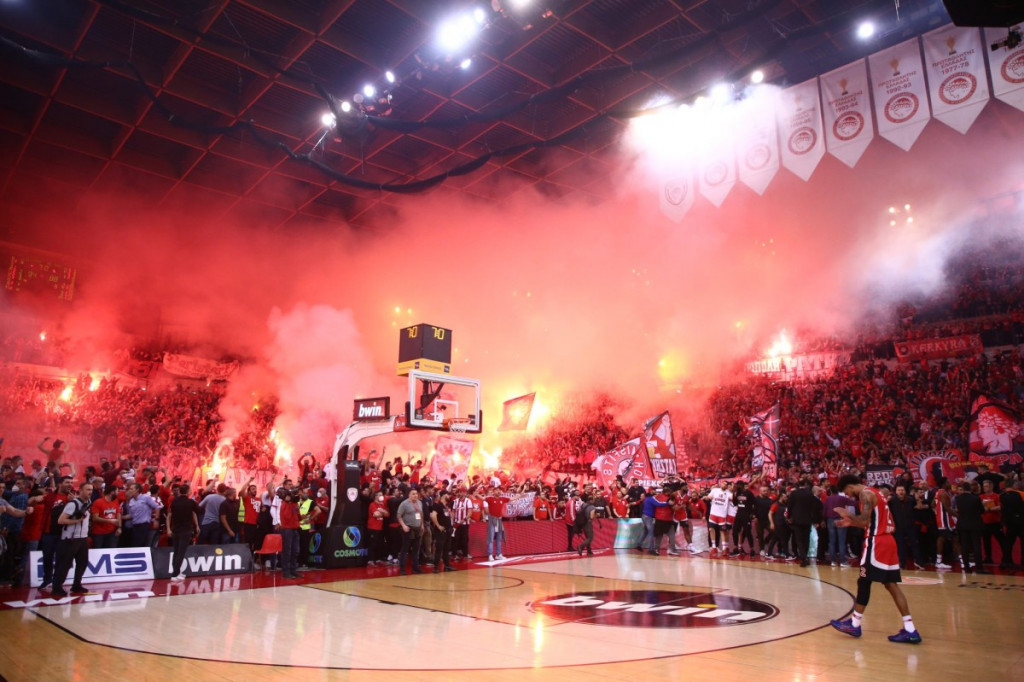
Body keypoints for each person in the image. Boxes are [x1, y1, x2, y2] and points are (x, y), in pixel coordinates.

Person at [830, 474, 921, 644]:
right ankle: (911, 629)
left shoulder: (865, 494)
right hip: (889, 541)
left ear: (850, 486)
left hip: (876, 542)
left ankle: (854, 624)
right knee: (891, 585)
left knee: (864, 581)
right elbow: (869, 521)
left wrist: (849, 516)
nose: (848, 496)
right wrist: (850, 523)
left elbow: (864, 521)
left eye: (847, 492)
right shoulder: (875, 492)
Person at [50, 482, 94, 598]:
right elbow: (60, 520)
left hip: (82, 538)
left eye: (91, 490)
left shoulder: (88, 503)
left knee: (82, 563)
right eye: (87, 489)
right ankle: (57, 587)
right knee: (64, 564)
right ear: (80, 490)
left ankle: (76, 585)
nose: (90, 492)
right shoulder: (72, 504)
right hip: (70, 539)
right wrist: (76, 521)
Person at [167, 484, 200, 582]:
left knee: (176, 551)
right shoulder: (190, 502)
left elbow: (169, 515)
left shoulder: (174, 501)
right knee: (181, 552)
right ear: (188, 491)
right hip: (186, 530)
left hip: (175, 529)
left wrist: (169, 529)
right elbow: (199, 511)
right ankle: (174, 574)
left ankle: (176, 572)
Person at [396, 489, 424, 574]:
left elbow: (421, 514)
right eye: (413, 494)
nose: (415, 495)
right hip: (408, 529)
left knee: (416, 549)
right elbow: (399, 515)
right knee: (405, 549)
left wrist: (422, 524)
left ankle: (415, 568)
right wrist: (403, 525)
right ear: (409, 495)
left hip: (417, 529)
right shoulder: (404, 504)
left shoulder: (419, 503)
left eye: (416, 494)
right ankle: (402, 569)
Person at [430, 491, 456, 572]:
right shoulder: (438, 505)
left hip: (448, 530)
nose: (449, 496)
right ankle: (436, 567)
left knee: (446, 549)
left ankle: (447, 565)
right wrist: (438, 525)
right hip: (441, 531)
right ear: (443, 495)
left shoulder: (446, 506)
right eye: (448, 495)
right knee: (439, 548)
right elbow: (433, 515)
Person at [483, 487, 509, 560]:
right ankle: (490, 555)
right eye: (496, 490)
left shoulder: (502, 499)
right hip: (492, 520)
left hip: (499, 520)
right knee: (491, 537)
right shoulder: (490, 499)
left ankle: (498, 554)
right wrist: (476, 494)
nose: (498, 491)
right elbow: (482, 498)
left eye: (499, 490)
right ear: (493, 492)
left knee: (499, 538)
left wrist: (520, 496)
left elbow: (512, 499)